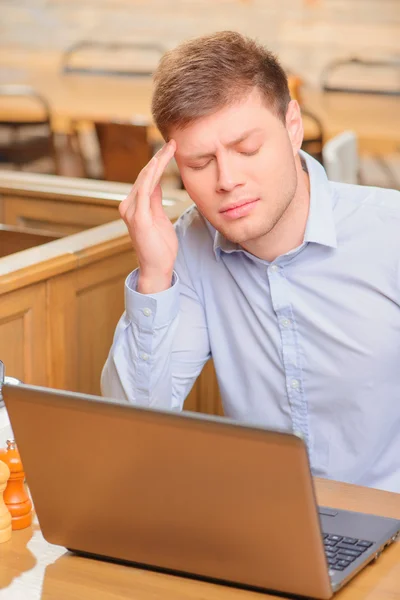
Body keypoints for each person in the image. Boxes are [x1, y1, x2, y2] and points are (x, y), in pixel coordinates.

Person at [101, 31, 400, 493]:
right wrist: (155, 277)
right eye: (200, 163)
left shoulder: (389, 234)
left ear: (292, 126)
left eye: (246, 150)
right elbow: (131, 426)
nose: (227, 180)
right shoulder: (188, 248)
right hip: (264, 526)